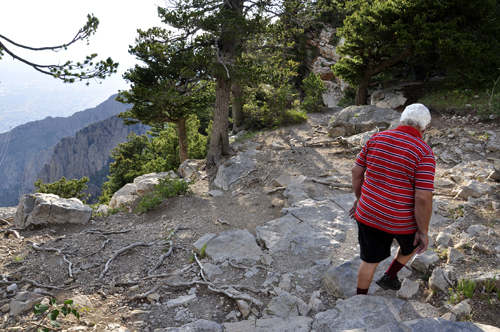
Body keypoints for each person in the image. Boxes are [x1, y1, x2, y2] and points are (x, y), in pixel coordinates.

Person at [349, 103, 435, 295]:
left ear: (402, 119)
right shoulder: (424, 152)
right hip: (400, 221)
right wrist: (424, 232)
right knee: (414, 244)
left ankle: (359, 299)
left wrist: (360, 199)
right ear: (424, 127)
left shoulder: (376, 138)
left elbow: (356, 172)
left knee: (369, 260)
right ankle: (389, 276)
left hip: (368, 213)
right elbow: (422, 198)